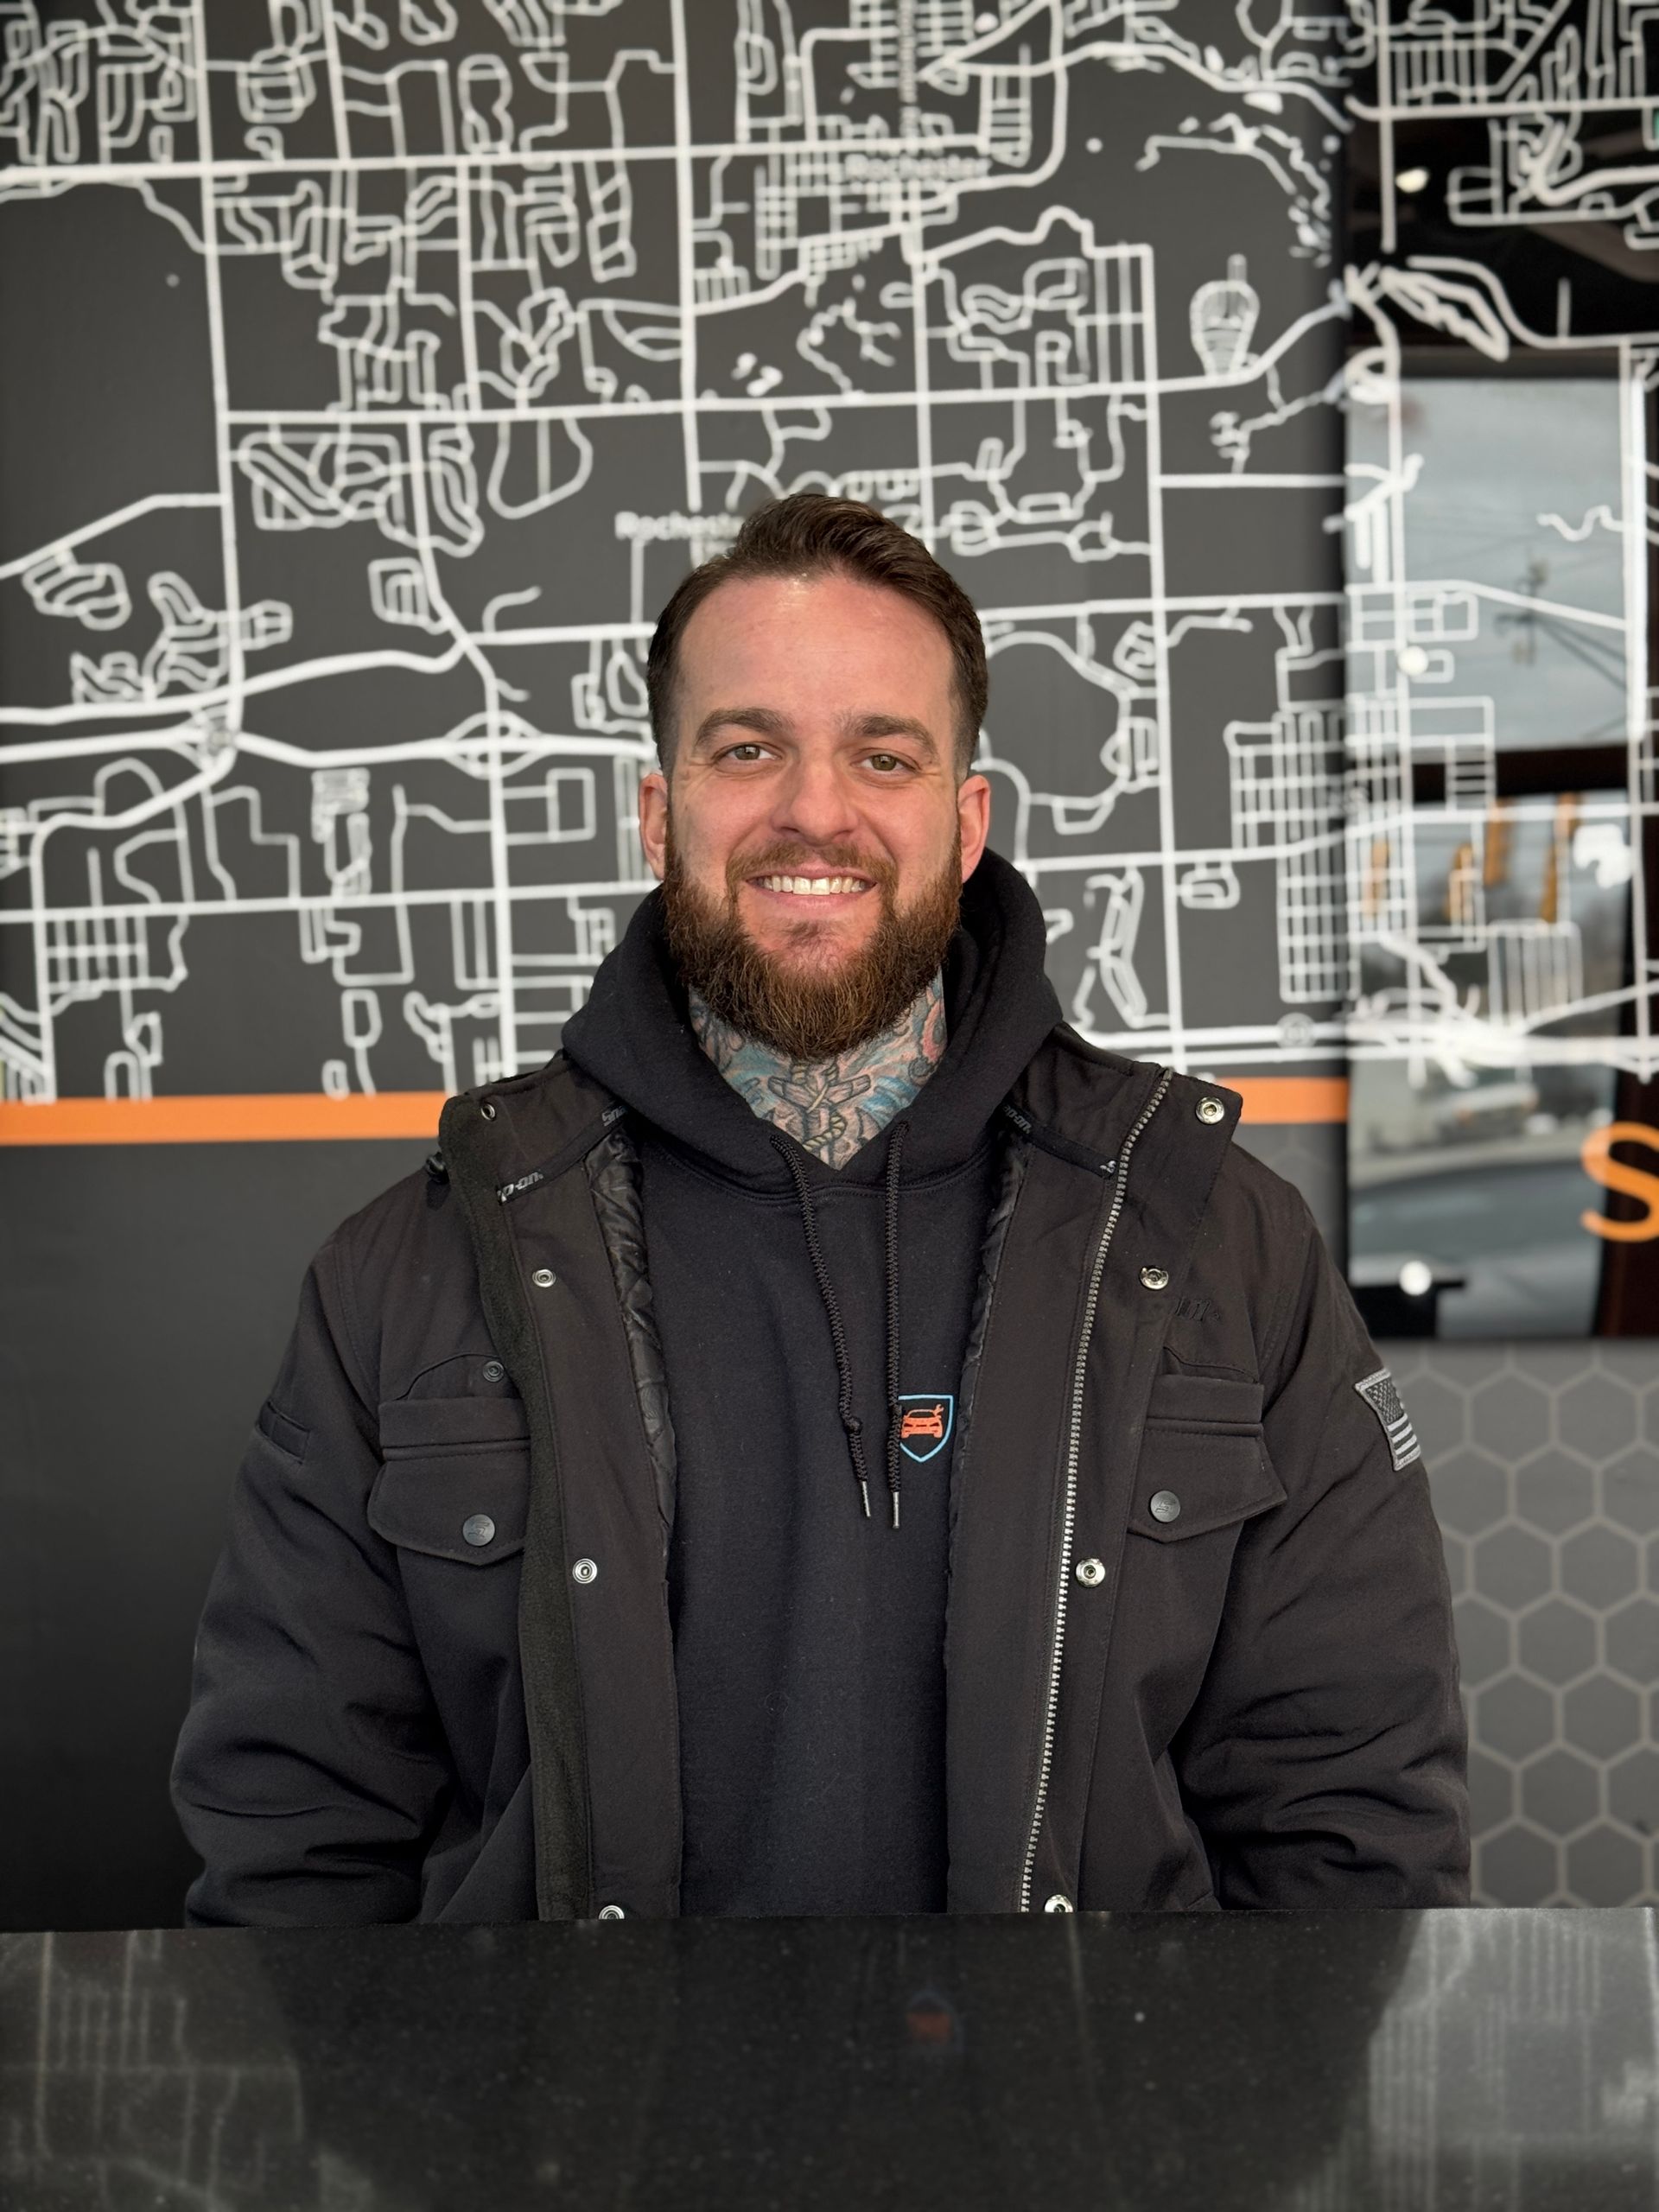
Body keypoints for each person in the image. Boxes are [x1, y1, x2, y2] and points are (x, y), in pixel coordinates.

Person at [171, 495, 1468, 1923]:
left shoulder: (1214, 1237)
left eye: (883, 753)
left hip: (1087, 2137)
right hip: (576, 2144)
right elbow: (292, 1848)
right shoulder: (412, 1269)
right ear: (659, 809)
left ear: (965, 821)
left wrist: (1186, 2146)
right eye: (747, 748)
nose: (814, 809)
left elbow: (1355, 1825)